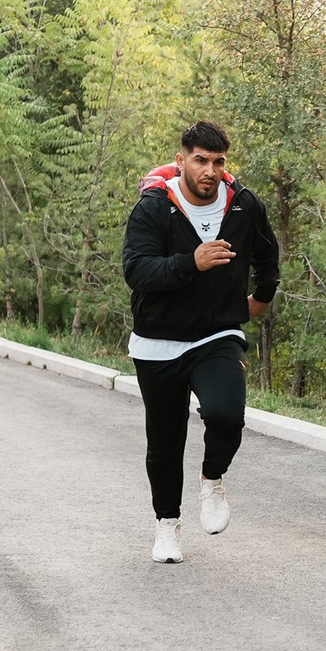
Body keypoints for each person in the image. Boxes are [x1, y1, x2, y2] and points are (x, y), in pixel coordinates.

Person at [122, 122, 280, 564]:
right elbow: (137, 271)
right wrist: (191, 261)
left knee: (226, 415)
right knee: (165, 442)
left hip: (217, 333)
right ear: (182, 161)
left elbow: (268, 256)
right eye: (200, 160)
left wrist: (261, 299)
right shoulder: (154, 207)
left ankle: (212, 479)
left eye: (218, 161)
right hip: (158, 342)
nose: (209, 171)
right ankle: (167, 526)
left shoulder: (243, 204)